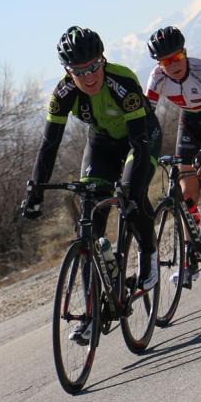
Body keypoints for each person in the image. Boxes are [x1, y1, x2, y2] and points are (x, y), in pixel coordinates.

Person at [21, 26, 161, 340]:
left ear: (103, 60)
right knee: (90, 219)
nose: (88, 76)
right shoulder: (61, 95)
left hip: (139, 138)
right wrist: (35, 190)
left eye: (94, 66)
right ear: (68, 72)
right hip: (101, 144)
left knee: (132, 194)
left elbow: (138, 143)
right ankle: (92, 312)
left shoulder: (121, 80)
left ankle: (149, 254)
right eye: (78, 71)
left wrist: (128, 186)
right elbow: (48, 147)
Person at [144, 25, 201, 289]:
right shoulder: (157, 78)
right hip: (189, 120)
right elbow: (145, 119)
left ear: (184, 53)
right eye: (165, 60)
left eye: (176, 57)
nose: (172, 64)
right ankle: (190, 257)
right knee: (186, 192)